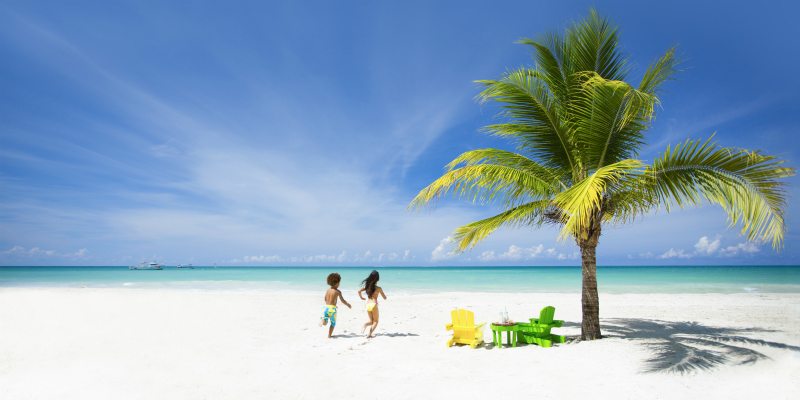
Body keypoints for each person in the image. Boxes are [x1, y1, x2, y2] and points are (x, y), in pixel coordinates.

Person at [357, 270, 387, 338]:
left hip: (368, 304)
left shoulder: (367, 287)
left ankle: (365, 325)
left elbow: (359, 291)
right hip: (374, 304)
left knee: (371, 321)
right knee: (376, 321)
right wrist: (385, 297)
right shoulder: (378, 288)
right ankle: (369, 334)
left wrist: (361, 298)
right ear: (377, 279)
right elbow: (384, 297)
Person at [320, 272, 351, 338]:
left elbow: (325, 298)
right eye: (339, 282)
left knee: (325, 322)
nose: (339, 284)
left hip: (327, 308)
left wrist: (330, 304)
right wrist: (348, 304)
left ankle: (323, 320)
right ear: (337, 283)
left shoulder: (328, 290)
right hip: (332, 310)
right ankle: (329, 335)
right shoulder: (338, 292)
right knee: (333, 324)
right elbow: (343, 301)